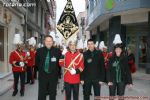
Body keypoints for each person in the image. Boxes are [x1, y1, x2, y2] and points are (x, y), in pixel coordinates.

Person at [35, 35, 61, 100]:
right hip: (42, 76)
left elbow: (59, 64)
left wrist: (58, 74)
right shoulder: (39, 51)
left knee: (52, 94)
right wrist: (41, 71)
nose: (48, 42)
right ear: (44, 41)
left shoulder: (57, 51)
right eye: (47, 41)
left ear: (52, 42)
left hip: (53, 76)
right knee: (41, 94)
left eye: (50, 41)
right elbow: (36, 63)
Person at [107, 34, 133, 100]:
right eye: (116, 49)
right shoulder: (111, 58)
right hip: (112, 80)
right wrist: (109, 80)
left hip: (122, 80)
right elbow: (108, 70)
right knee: (111, 96)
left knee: (121, 96)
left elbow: (127, 71)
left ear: (121, 50)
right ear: (115, 50)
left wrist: (130, 82)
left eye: (119, 49)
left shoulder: (124, 58)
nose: (118, 50)